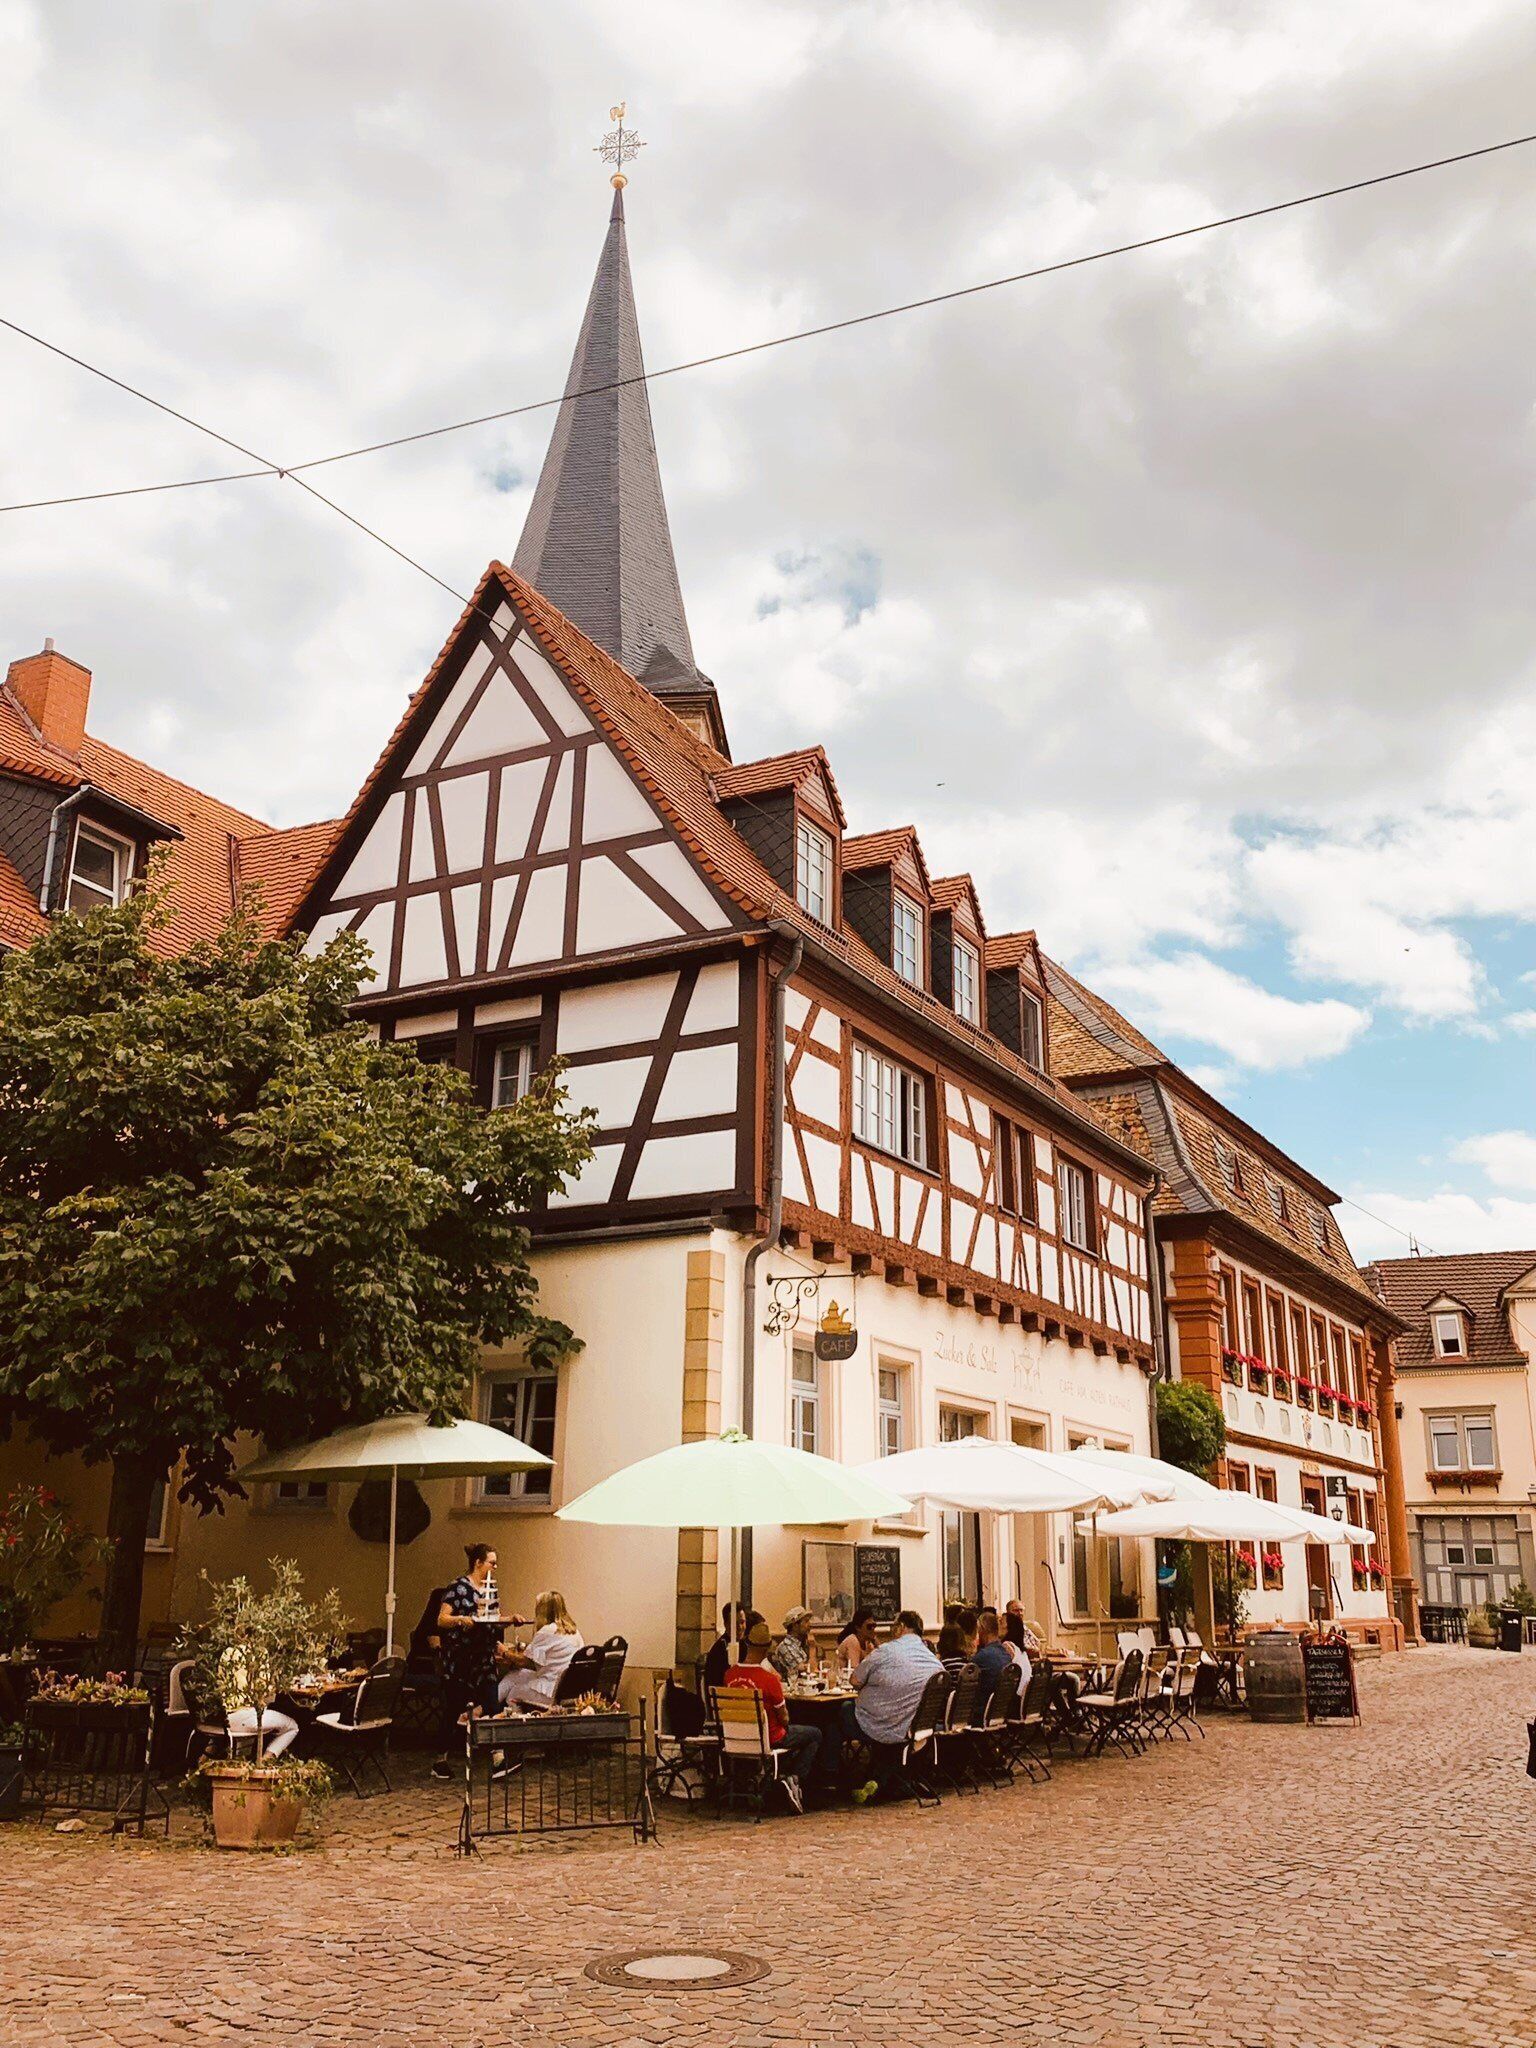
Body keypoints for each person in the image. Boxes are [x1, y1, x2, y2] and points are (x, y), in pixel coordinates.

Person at [431, 1543, 524, 1780]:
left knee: (492, 1704)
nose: (496, 1566)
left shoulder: (490, 1589)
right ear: (478, 1563)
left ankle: (498, 1760)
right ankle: (440, 1760)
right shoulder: (457, 1588)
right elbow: (442, 1620)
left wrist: (510, 1620)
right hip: (461, 1659)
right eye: (492, 1562)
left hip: (483, 1659)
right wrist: (462, 1620)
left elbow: (491, 1619)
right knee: (453, 1708)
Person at [843, 1609, 943, 1804]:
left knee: (840, 1713)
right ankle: (880, 1775)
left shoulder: (886, 1651)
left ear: (902, 1627)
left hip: (881, 1724)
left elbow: (854, 1680)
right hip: (916, 1728)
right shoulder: (932, 1660)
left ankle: (836, 1777)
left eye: (894, 1626)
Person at [723, 1619, 821, 1814]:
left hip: (734, 1738)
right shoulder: (769, 1680)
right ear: (767, 1648)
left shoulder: (729, 1675)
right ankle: (794, 1778)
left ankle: (776, 1778)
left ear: (748, 1645)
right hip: (769, 1738)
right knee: (815, 1734)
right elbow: (784, 1718)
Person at [497, 1590, 583, 1709]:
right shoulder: (574, 1631)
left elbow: (524, 1661)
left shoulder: (547, 1631)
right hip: (565, 1688)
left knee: (513, 1693)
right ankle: (481, 1709)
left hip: (551, 1691)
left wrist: (504, 1652)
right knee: (516, 1675)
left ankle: (490, 1711)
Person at [703, 1603, 757, 1693]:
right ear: (726, 1624)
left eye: (742, 1622)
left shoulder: (744, 1645)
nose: (740, 1627)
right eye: (735, 1624)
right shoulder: (718, 1651)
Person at [972, 1609, 1012, 1701]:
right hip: (1000, 1708)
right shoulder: (1006, 1654)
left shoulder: (982, 1657)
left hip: (982, 1709)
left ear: (982, 1630)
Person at [769, 1605, 814, 1683]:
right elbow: (809, 1671)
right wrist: (812, 1648)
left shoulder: (800, 1644)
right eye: (806, 1621)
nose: (810, 1624)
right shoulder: (786, 1647)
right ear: (795, 1626)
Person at [1002, 1611, 1035, 1685]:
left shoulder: (1007, 1646)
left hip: (1016, 1692)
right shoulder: (1021, 1651)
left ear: (1009, 1628)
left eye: (1001, 1622)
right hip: (1025, 1692)